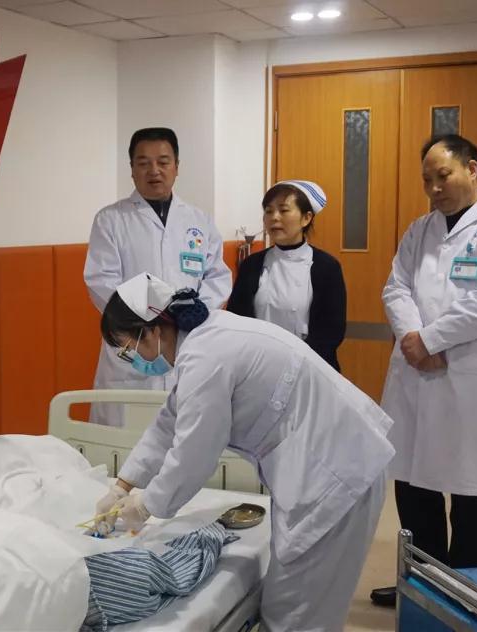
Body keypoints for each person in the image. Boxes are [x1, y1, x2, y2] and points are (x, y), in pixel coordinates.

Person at [93, 272, 394, 631]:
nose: (132, 360)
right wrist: (122, 486)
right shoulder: (206, 339)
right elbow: (167, 425)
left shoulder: (205, 358)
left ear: (152, 331)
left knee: (295, 614)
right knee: (295, 606)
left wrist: (146, 505)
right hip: (331, 464)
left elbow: (193, 455)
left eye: (127, 349)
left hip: (333, 475)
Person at [369, 134, 477, 607]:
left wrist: (431, 339)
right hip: (416, 373)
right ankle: (423, 585)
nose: (434, 188)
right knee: (413, 485)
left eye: (443, 176)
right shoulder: (420, 230)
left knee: (469, 490)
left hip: (472, 379)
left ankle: (463, 593)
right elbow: (395, 288)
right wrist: (412, 337)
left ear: (472, 169)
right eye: (427, 180)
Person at [84, 127, 232, 426]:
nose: (154, 170)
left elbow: (217, 275)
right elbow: (101, 281)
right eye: (143, 163)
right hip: (133, 348)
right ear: (131, 169)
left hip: (187, 344)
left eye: (163, 162)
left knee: (185, 439)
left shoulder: (199, 221)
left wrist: (198, 309)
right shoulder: (111, 220)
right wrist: (159, 313)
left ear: (177, 166)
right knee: (127, 441)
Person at [227, 180, 347, 370]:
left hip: (310, 369)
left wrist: (295, 365)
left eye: (283, 210)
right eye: (268, 211)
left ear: (306, 218)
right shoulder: (252, 265)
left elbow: (331, 331)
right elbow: (236, 320)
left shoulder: (326, 267)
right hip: (257, 367)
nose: (274, 217)